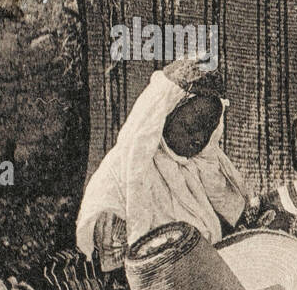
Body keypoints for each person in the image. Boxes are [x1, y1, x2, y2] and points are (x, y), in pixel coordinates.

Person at [76, 57, 247, 271]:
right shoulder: (118, 183)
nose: (199, 139)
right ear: (166, 113)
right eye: (191, 126)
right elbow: (127, 273)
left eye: (209, 128)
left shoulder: (194, 168)